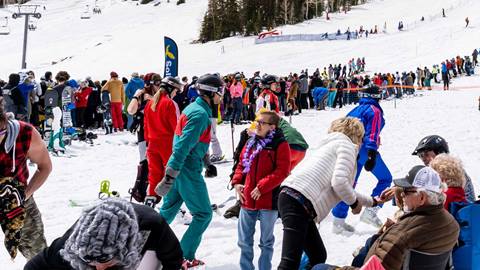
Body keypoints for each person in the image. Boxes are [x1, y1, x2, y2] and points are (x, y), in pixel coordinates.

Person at [277, 117, 379, 269]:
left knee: (317, 254)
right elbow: (339, 182)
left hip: (294, 196)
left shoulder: (330, 145)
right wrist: (354, 204)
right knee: (290, 262)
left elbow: (343, 187)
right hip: (300, 200)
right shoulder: (347, 146)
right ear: (357, 136)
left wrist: (373, 201)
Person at [313, 165, 460, 270]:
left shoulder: (404, 233)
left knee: (319, 268)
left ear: (422, 197)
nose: (401, 195)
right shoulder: (451, 223)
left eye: (406, 191)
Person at [155, 73, 225, 267]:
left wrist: (207, 162)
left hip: (181, 168)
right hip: (185, 169)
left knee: (167, 212)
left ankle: (143, 244)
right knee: (203, 214)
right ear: (212, 92)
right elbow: (182, 146)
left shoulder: (194, 108)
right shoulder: (200, 114)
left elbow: (197, 143)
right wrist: (170, 176)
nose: (222, 95)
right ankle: (184, 256)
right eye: (220, 91)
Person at [24, 198, 184, 270]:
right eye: (93, 263)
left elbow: (174, 260)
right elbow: (35, 266)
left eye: (105, 262)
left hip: (144, 255)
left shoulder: (153, 226)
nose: (100, 268)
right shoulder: (74, 243)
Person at [230, 111, 290, 270]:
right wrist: (237, 182)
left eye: (262, 122)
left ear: (272, 127)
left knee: (266, 242)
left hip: (268, 200)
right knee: (244, 241)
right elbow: (241, 165)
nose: (257, 124)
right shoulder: (251, 141)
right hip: (247, 198)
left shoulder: (280, 144)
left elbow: (282, 171)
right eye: (256, 121)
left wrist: (262, 186)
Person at [332, 85, 392, 232]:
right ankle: (371, 212)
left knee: (350, 183)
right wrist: (371, 153)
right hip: (365, 149)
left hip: (351, 149)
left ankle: (338, 221)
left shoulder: (355, 109)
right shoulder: (374, 110)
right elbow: (372, 133)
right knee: (385, 178)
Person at [0, 95, 51, 260]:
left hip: (18, 201)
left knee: (39, 256)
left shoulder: (24, 133)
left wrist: (24, 195)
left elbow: (45, 167)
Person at [143, 76, 183, 203]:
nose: (176, 94)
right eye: (176, 91)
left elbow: (146, 127)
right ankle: (172, 205)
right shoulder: (170, 103)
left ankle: (151, 201)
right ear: (171, 88)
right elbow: (177, 128)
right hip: (167, 145)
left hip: (152, 144)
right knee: (170, 176)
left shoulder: (150, 103)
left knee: (154, 176)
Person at [411, 135, 475, 202]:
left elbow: (468, 201)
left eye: (426, 154)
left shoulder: (455, 173)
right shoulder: (429, 175)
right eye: (420, 156)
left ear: (440, 152)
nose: (423, 159)